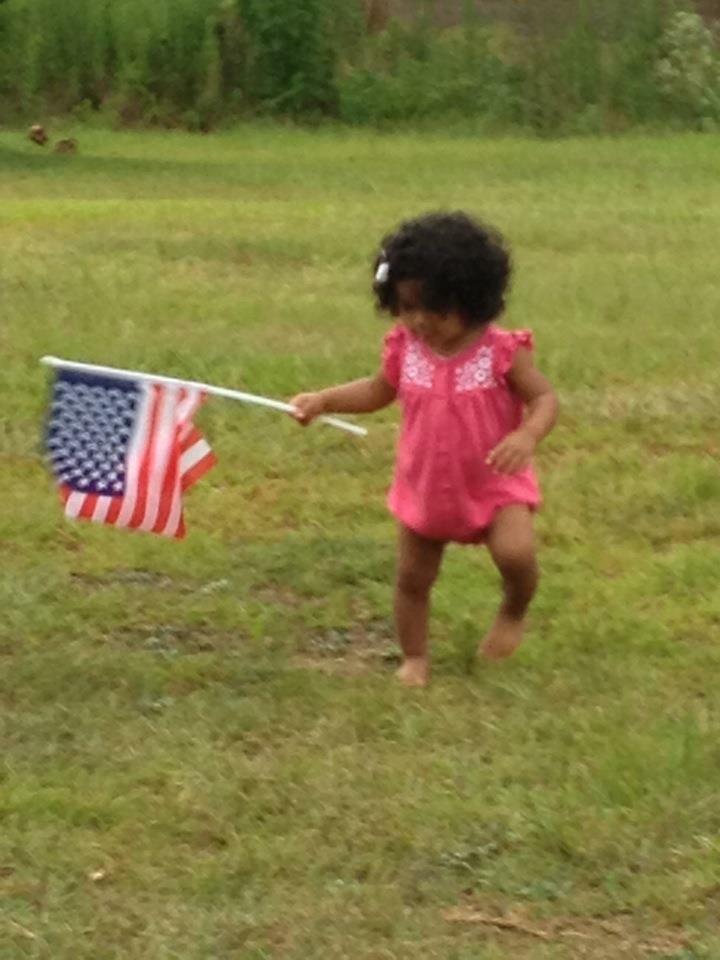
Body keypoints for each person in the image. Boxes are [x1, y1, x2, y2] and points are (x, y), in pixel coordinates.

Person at [291, 212, 558, 687]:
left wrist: (526, 436)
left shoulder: (501, 352)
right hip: (426, 486)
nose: (419, 320)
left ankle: (513, 611)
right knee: (412, 579)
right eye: (406, 307)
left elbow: (544, 399)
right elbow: (377, 390)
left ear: (472, 297)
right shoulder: (405, 348)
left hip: (494, 483)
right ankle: (414, 658)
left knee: (516, 555)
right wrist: (325, 400)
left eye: (435, 309)